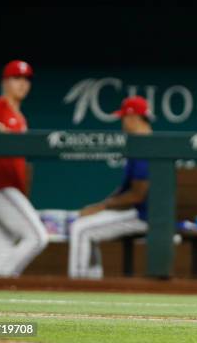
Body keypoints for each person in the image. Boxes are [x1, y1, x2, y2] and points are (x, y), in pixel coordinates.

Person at [0, 60, 49, 278]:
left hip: (10, 189)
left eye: (26, 79)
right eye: (16, 78)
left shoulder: (21, 117)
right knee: (37, 237)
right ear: (5, 82)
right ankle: (1, 281)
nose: (22, 83)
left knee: (0, 255)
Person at [68, 96, 151, 279]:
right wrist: (101, 206)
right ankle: (92, 280)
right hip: (139, 212)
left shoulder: (145, 146)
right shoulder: (141, 143)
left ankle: (77, 285)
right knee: (85, 228)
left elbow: (137, 195)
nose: (122, 123)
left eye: (123, 117)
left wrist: (102, 207)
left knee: (80, 229)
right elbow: (125, 191)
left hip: (145, 216)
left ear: (133, 117)